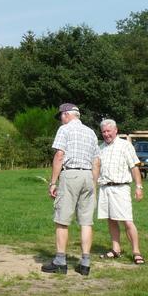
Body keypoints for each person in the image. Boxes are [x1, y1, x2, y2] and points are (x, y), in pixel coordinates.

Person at [42, 102, 99, 276]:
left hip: (71, 175)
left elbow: (59, 155)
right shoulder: (91, 132)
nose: (60, 120)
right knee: (86, 222)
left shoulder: (65, 130)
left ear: (66, 114)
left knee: (62, 219)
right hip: (88, 176)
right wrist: (93, 184)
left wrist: (53, 182)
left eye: (60, 116)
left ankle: (60, 261)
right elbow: (96, 161)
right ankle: (85, 263)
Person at [95, 119, 145, 265]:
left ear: (115, 130)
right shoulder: (101, 148)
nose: (106, 134)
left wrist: (139, 186)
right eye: (103, 132)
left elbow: (134, 167)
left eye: (108, 131)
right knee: (111, 219)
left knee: (127, 221)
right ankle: (116, 249)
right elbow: (96, 169)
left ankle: (136, 252)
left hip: (121, 188)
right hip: (105, 188)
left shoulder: (125, 145)